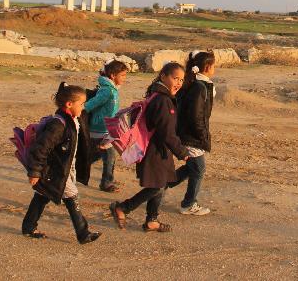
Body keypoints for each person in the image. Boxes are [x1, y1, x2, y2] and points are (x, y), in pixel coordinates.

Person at [109, 63, 189, 233]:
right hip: (155, 150)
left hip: (158, 149)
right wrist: (182, 152)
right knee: (157, 186)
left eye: (181, 80)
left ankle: (152, 220)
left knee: (162, 183)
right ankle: (123, 207)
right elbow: (167, 132)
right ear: (163, 76)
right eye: (175, 78)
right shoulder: (163, 100)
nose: (179, 83)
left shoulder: (158, 95)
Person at [21, 82, 101, 244]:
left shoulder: (76, 119)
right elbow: (41, 148)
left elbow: (80, 143)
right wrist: (35, 172)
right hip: (55, 170)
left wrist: (99, 148)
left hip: (66, 168)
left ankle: (28, 227)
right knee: (72, 196)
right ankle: (83, 233)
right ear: (69, 104)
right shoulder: (58, 124)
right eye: (81, 104)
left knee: (42, 195)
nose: (84, 107)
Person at [167, 50, 216, 216]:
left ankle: (161, 184)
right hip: (191, 136)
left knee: (191, 167)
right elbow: (196, 116)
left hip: (185, 133)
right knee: (199, 169)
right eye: (214, 65)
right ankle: (188, 204)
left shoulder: (191, 82)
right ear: (208, 67)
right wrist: (202, 136)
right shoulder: (200, 86)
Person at [84, 59, 129, 192]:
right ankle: (106, 183)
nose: (124, 78)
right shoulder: (107, 91)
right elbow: (89, 106)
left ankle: (71, 169)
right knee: (107, 156)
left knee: (99, 156)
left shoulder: (112, 90)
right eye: (122, 75)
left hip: (107, 129)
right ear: (113, 75)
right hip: (99, 129)